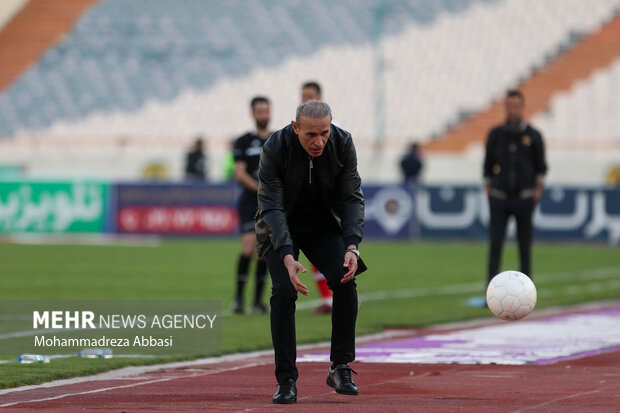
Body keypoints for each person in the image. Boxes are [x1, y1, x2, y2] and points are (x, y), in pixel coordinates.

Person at [256, 100, 367, 404]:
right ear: (295, 128)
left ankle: (340, 366)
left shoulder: (342, 142)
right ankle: (287, 380)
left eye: (324, 133)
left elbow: (352, 197)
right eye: (310, 135)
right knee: (283, 292)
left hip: (322, 224)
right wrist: (288, 255)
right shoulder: (275, 147)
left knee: (345, 279)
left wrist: (352, 246)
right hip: (281, 224)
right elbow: (272, 206)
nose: (319, 142)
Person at [471, 89, 547, 307]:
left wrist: (536, 192)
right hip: (500, 197)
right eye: (509, 105)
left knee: (525, 246)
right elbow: (486, 167)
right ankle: (490, 294)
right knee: (495, 246)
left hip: (524, 198)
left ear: (522, 107)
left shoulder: (533, 136)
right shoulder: (496, 134)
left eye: (516, 105)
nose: (513, 109)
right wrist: (490, 191)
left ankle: (528, 295)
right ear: (506, 107)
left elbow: (541, 168)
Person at [232, 96, 272, 314]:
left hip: (269, 205)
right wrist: (260, 189)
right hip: (249, 202)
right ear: (253, 114)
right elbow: (239, 173)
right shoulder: (244, 141)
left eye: (266, 110)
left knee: (263, 252)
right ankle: (238, 298)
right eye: (260, 111)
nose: (264, 115)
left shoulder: (277, 139)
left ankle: (257, 301)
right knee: (248, 248)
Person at [300, 80, 334, 314]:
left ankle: (343, 296)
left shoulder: (335, 129)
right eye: (303, 96)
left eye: (310, 96)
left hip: (329, 200)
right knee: (314, 252)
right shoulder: (298, 130)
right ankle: (329, 299)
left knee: (335, 251)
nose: (305, 100)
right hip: (308, 200)